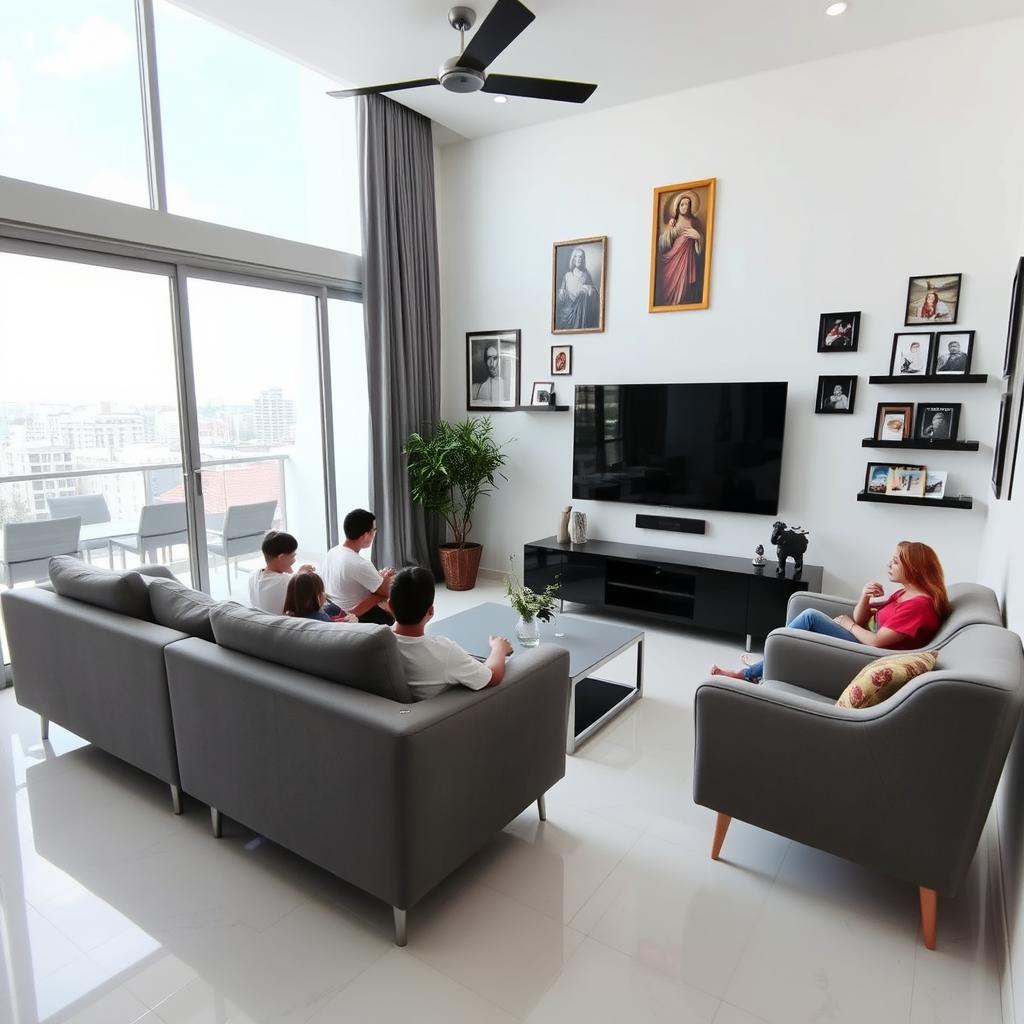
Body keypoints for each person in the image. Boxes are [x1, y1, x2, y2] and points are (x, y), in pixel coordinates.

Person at [711, 541, 949, 682]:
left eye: (896, 561)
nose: (889, 563)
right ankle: (767, 664)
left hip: (868, 655)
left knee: (810, 618)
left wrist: (848, 625)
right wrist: (865, 597)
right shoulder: (905, 593)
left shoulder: (919, 605)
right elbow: (862, 618)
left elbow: (876, 643)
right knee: (808, 621)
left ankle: (749, 672)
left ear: (914, 568)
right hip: (862, 642)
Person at [388, 566, 513, 699]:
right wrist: (499, 648)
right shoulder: (443, 651)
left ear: (390, 605)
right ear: (431, 611)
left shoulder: (374, 640)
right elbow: (492, 677)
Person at [321, 508, 396, 625]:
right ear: (366, 535)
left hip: (332, 610)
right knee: (392, 607)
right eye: (374, 530)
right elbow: (385, 593)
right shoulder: (360, 564)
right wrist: (386, 577)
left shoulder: (333, 551)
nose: (374, 534)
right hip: (354, 616)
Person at [656, 192, 706, 306]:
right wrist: (670, 230)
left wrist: (698, 238)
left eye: (687, 204)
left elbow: (701, 243)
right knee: (670, 286)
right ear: (678, 206)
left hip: (686, 259)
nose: (685, 207)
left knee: (683, 287)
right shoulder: (672, 222)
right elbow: (662, 244)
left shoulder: (695, 222)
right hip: (672, 258)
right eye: (682, 204)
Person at [247, 530, 313, 615]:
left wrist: (298, 574)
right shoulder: (285, 582)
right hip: (280, 626)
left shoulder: (253, 575)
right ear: (281, 557)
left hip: (261, 623)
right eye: (292, 556)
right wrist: (301, 577)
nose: (294, 560)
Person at [556, 247, 599, 330]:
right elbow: (561, 293)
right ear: (573, 259)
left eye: (581, 257)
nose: (579, 259)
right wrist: (561, 292)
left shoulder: (586, 275)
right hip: (568, 310)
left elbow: (594, 293)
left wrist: (589, 289)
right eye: (577, 256)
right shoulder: (567, 275)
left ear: (583, 259)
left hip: (582, 312)